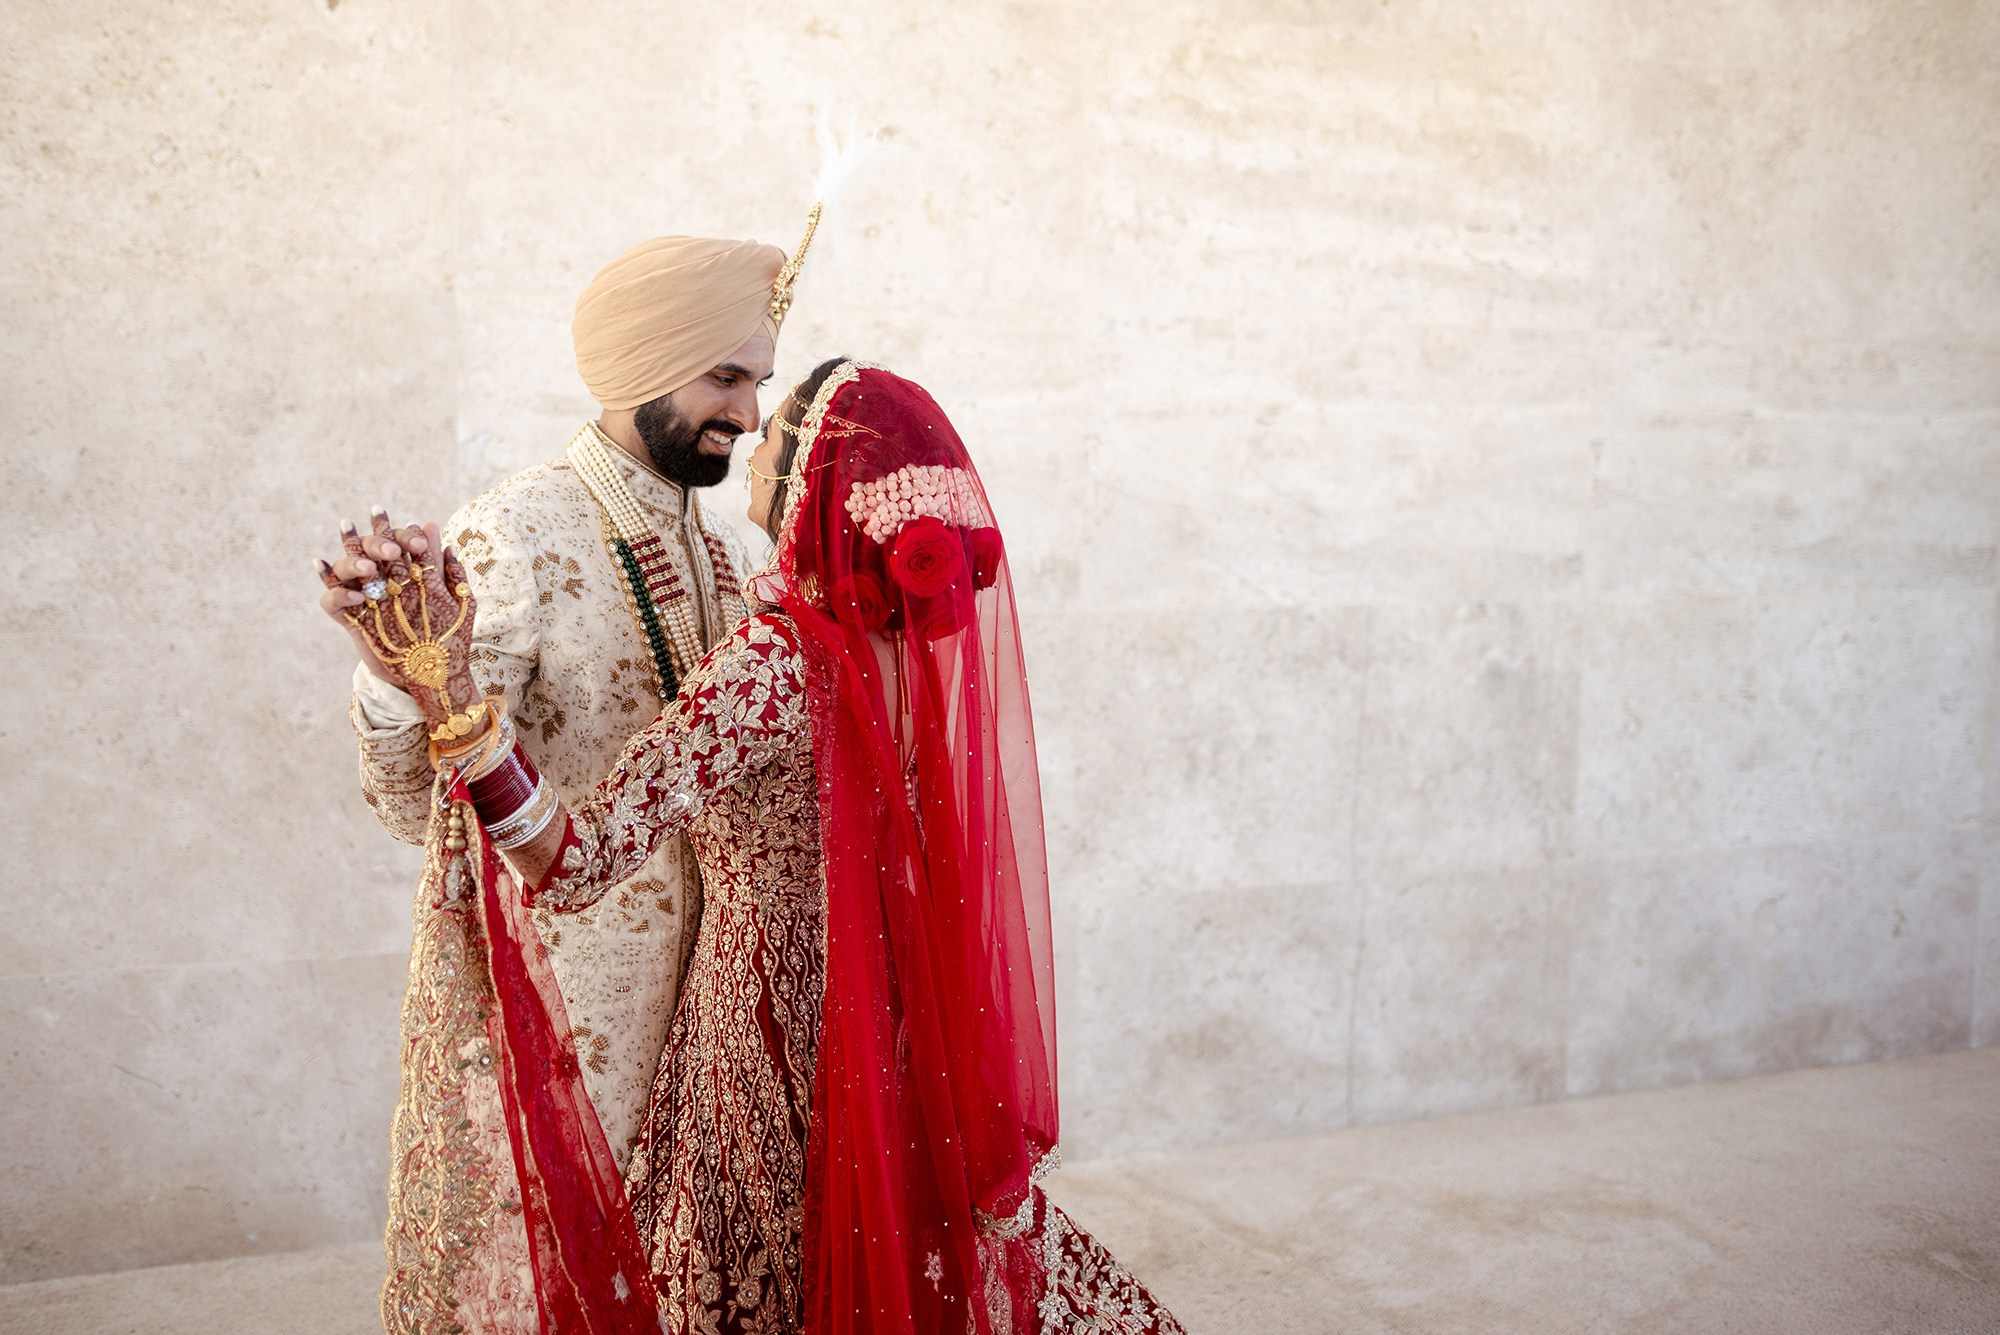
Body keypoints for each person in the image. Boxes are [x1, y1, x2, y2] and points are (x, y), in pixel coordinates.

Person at [322, 361, 1185, 1334]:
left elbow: (572, 863)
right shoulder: (909, 657)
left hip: (765, 1026)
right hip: (898, 1022)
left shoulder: (780, 657)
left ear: (811, 481)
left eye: (775, 442)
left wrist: (445, 699)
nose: (754, 445)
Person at [322, 226, 818, 1333]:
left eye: (758, 382)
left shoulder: (729, 554)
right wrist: (401, 683)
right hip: (563, 1005)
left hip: (712, 1016)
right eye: (725, 378)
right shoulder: (517, 529)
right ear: (646, 369)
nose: (746, 414)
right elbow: (412, 804)